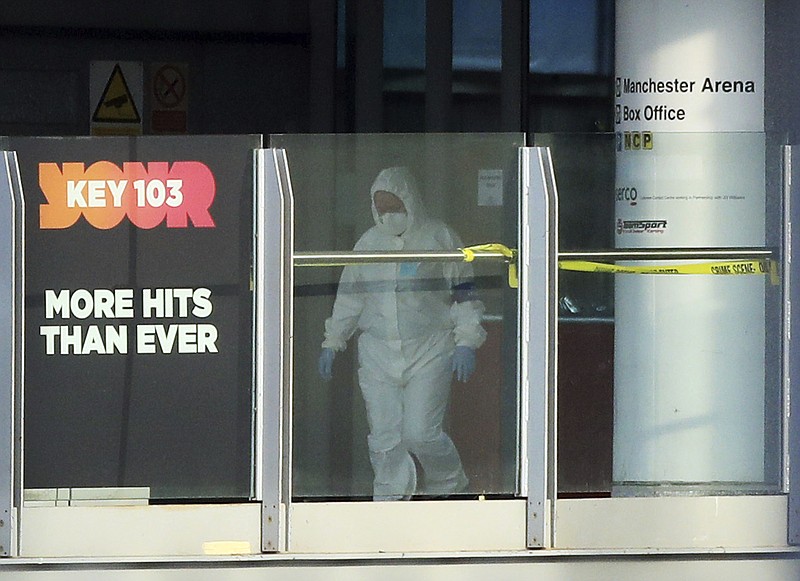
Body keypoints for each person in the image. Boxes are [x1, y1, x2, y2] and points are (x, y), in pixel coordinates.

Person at [317, 166, 487, 500]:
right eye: (381, 208)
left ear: (410, 200)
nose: (388, 215)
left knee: (421, 433)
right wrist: (333, 341)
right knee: (383, 436)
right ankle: (391, 499)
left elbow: (464, 292)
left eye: (394, 206)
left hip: (429, 349)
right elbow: (350, 297)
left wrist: (467, 340)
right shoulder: (367, 244)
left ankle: (449, 486)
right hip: (378, 353)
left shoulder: (439, 238)